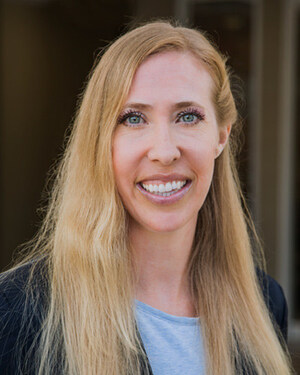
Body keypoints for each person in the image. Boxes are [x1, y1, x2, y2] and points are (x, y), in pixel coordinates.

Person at [0, 21, 293, 375]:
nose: (165, 151)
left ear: (221, 136)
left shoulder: (265, 304)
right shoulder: (16, 311)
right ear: (101, 142)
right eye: (134, 118)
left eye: (188, 116)